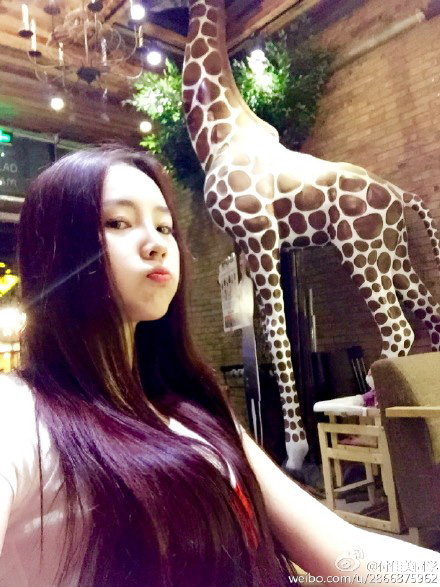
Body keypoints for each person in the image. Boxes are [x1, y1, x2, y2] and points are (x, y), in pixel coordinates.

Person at [0, 146, 438, 587]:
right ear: (57, 248)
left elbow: (343, 550)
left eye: (164, 227)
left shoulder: (192, 406)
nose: (156, 243)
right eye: (118, 222)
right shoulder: (17, 414)